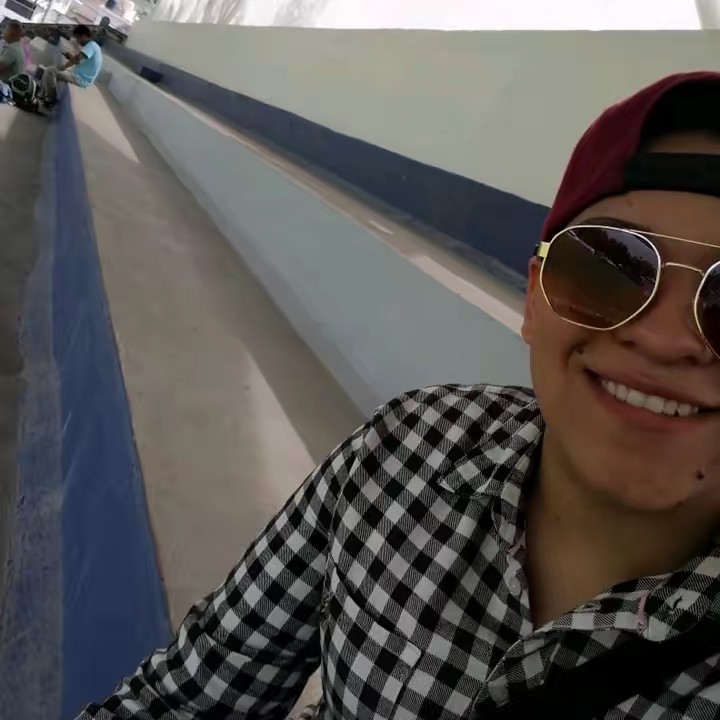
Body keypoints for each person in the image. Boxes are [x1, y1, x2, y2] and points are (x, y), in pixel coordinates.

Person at [77, 71, 720, 719]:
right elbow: (186, 698)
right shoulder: (407, 449)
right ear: (534, 299)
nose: (666, 339)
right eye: (609, 266)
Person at [39, 24, 102, 104]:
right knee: (50, 70)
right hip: (79, 75)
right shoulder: (93, 46)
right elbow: (78, 61)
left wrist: (66, 65)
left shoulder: (91, 46)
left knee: (50, 72)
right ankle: (42, 94)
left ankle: (51, 99)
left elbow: (77, 59)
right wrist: (68, 60)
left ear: (83, 36)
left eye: (77, 38)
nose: (77, 41)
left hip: (81, 79)